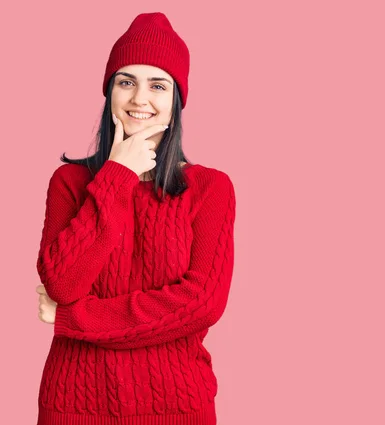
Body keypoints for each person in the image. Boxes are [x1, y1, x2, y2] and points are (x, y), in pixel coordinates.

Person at [34, 12, 236, 425]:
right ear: (109, 92)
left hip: (177, 405)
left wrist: (74, 318)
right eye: (126, 82)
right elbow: (62, 282)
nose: (139, 99)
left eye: (158, 85)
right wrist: (117, 177)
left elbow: (200, 305)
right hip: (76, 404)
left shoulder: (211, 189)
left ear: (176, 100)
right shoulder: (70, 183)